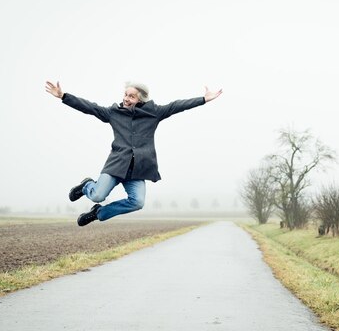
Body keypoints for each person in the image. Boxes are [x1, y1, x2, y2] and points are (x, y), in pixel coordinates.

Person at [45, 80, 222, 226]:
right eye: (125, 95)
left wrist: (203, 99)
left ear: (140, 99)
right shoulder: (114, 113)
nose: (127, 99)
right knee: (98, 195)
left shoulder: (153, 113)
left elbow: (177, 106)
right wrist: (63, 96)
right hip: (116, 166)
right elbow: (90, 107)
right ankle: (87, 185)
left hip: (138, 170)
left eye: (131, 96)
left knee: (137, 202)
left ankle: (99, 212)